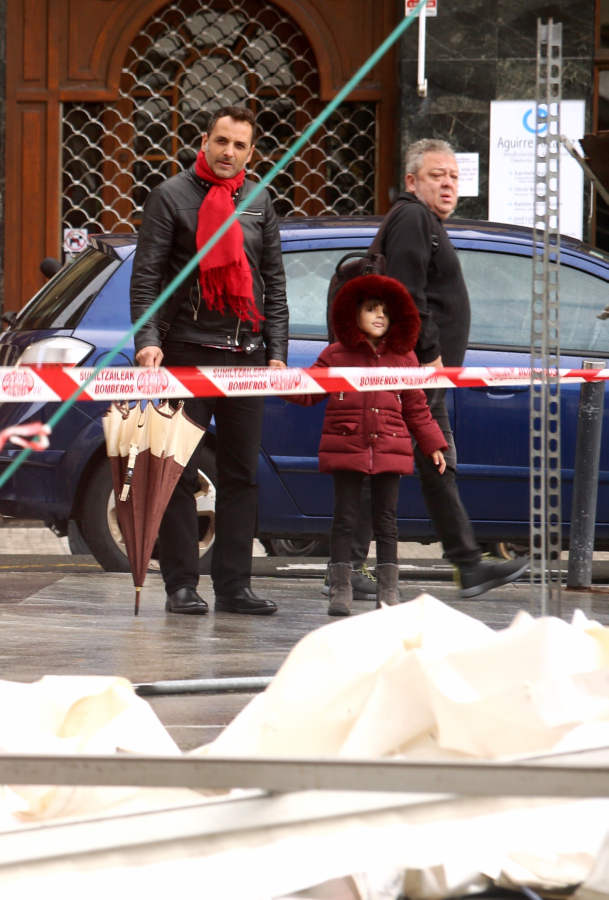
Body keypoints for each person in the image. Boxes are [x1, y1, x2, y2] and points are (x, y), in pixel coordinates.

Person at [129, 105, 288, 617]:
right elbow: (147, 279)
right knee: (177, 470)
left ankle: (235, 587)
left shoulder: (259, 201)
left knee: (242, 476)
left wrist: (278, 353)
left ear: (251, 152)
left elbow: (274, 283)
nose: (229, 153)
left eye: (240, 145)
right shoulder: (170, 197)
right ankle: (181, 585)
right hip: (186, 353)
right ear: (204, 141)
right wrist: (148, 339)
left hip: (246, 355)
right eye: (221, 141)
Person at [360, 139, 529, 599]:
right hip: (419, 370)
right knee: (418, 459)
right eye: (438, 175)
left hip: (421, 371)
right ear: (412, 181)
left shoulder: (421, 221)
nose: (449, 183)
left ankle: (464, 562)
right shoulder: (414, 218)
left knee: (419, 460)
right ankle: (464, 563)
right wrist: (431, 352)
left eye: (454, 176)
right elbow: (405, 292)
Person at [286, 275, 447, 615]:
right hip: (348, 445)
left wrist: (433, 443)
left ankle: (388, 590)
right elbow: (308, 390)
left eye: (385, 312)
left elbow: (417, 405)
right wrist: (278, 380)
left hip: (390, 446)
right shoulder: (335, 355)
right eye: (371, 309)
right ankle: (340, 587)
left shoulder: (405, 359)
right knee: (345, 519)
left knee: (386, 521)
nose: (379, 317)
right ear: (353, 313)